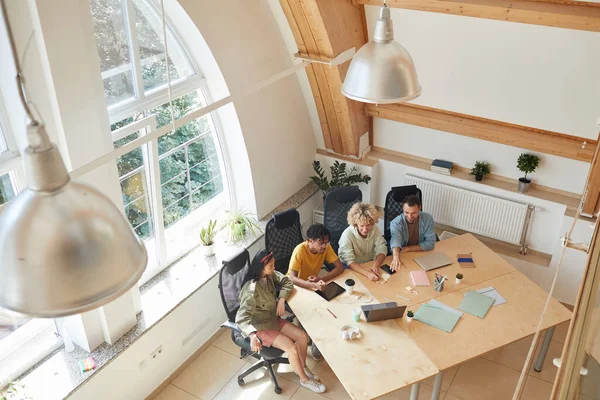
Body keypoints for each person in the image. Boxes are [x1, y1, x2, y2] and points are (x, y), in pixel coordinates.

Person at [236, 250, 326, 394]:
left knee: (302, 336)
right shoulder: (251, 290)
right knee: (291, 347)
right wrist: (252, 335)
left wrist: (282, 299)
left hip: (272, 319)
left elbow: (286, 281)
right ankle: (305, 380)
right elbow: (241, 318)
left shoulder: (269, 275)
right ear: (261, 267)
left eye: (273, 265)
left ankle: (302, 367)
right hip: (260, 327)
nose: (274, 268)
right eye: (271, 265)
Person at [287, 223, 344, 360]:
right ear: (310, 241)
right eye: (320, 242)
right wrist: (312, 286)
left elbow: (339, 268)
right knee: (312, 312)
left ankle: (317, 342)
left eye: (326, 242)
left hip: (312, 284)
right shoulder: (300, 250)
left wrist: (321, 279)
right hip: (295, 288)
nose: (324, 246)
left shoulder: (325, 248)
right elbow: (292, 278)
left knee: (332, 303)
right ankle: (306, 336)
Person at [338, 203, 388, 282]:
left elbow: (381, 247)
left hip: (370, 265)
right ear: (355, 224)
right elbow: (349, 261)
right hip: (354, 268)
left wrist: (377, 264)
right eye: (361, 225)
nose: (365, 229)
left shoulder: (374, 229)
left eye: (368, 225)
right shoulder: (347, 235)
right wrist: (367, 274)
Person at [389, 195, 436, 271]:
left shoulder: (428, 218)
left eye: (413, 213)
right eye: (406, 212)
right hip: (405, 256)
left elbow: (431, 243)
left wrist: (408, 248)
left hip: (421, 255)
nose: (410, 216)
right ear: (403, 209)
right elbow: (395, 241)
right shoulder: (396, 223)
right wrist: (396, 256)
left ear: (419, 208)